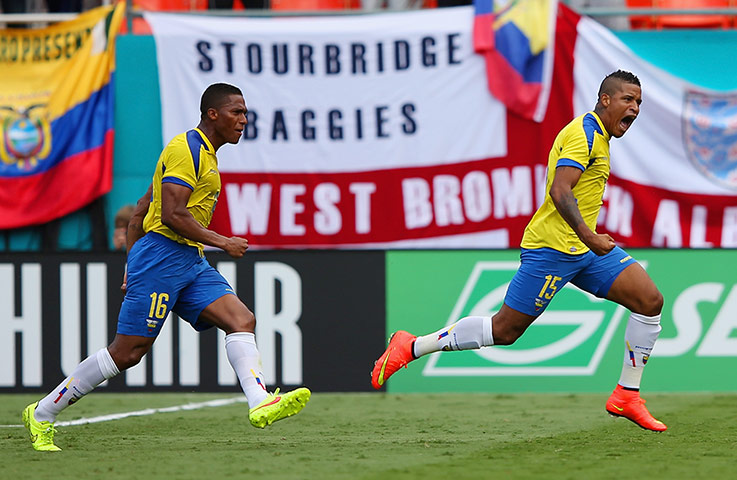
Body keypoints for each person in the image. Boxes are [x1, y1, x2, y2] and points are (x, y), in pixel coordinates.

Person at [371, 70, 667, 432]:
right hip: (552, 249)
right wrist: (590, 236)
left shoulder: (601, 137)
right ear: (605, 99)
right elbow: (561, 191)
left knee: (650, 301)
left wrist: (587, 242)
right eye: (627, 100)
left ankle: (627, 394)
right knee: (505, 331)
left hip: (582, 251)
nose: (634, 108)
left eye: (638, 102)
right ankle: (412, 345)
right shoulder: (585, 134)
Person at [22, 83, 311, 452]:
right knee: (127, 353)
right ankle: (43, 413)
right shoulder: (186, 149)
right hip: (163, 255)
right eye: (236, 112)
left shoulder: (204, 154)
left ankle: (260, 402)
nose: (243, 119)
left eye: (244, 112)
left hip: (187, 259)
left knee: (241, 319)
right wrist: (222, 241)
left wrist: (130, 262)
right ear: (213, 114)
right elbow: (173, 215)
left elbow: (142, 207)